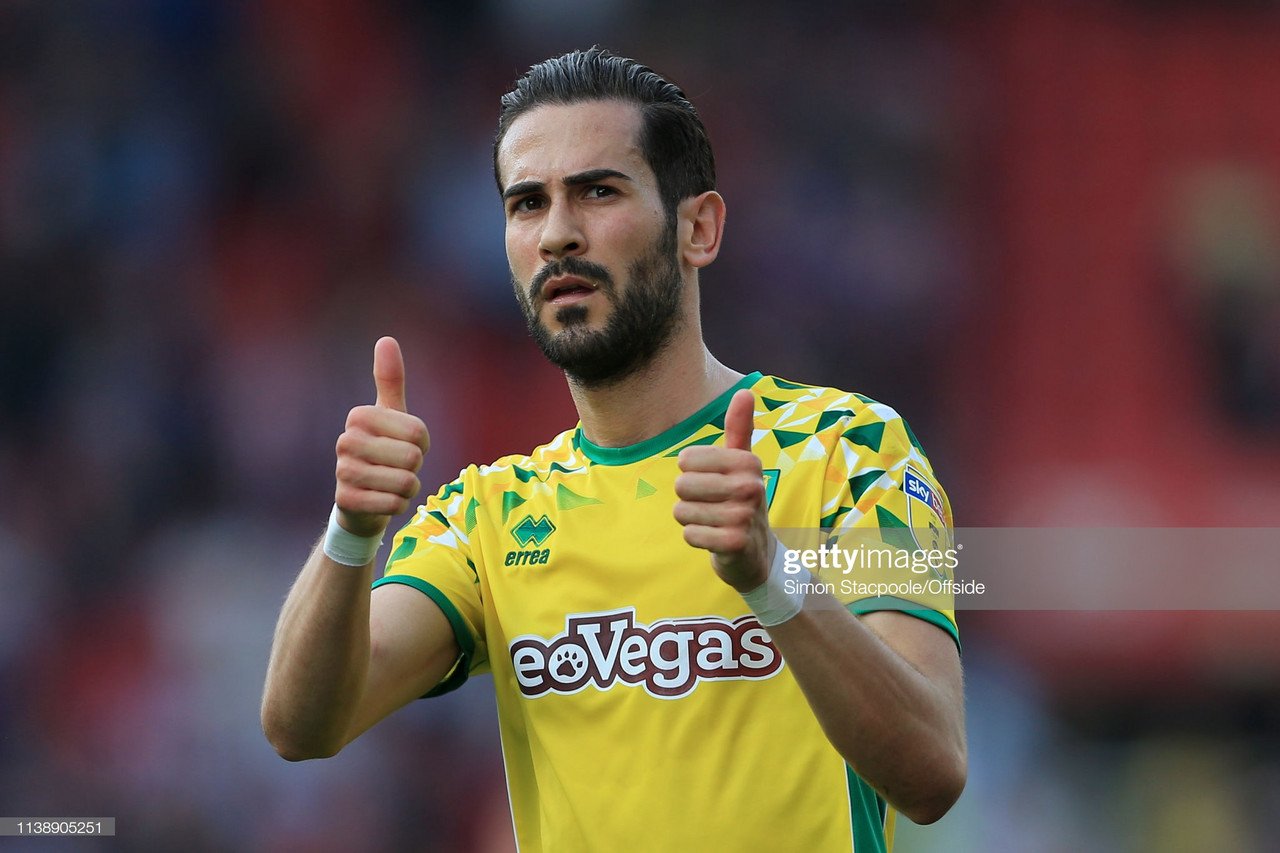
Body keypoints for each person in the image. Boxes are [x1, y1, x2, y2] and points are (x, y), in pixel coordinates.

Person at [262, 47, 966, 852]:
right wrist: (351, 530)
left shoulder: (851, 450)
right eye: (527, 204)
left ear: (698, 227)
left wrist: (772, 576)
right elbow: (300, 722)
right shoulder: (489, 517)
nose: (558, 233)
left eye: (598, 191)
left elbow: (932, 767)